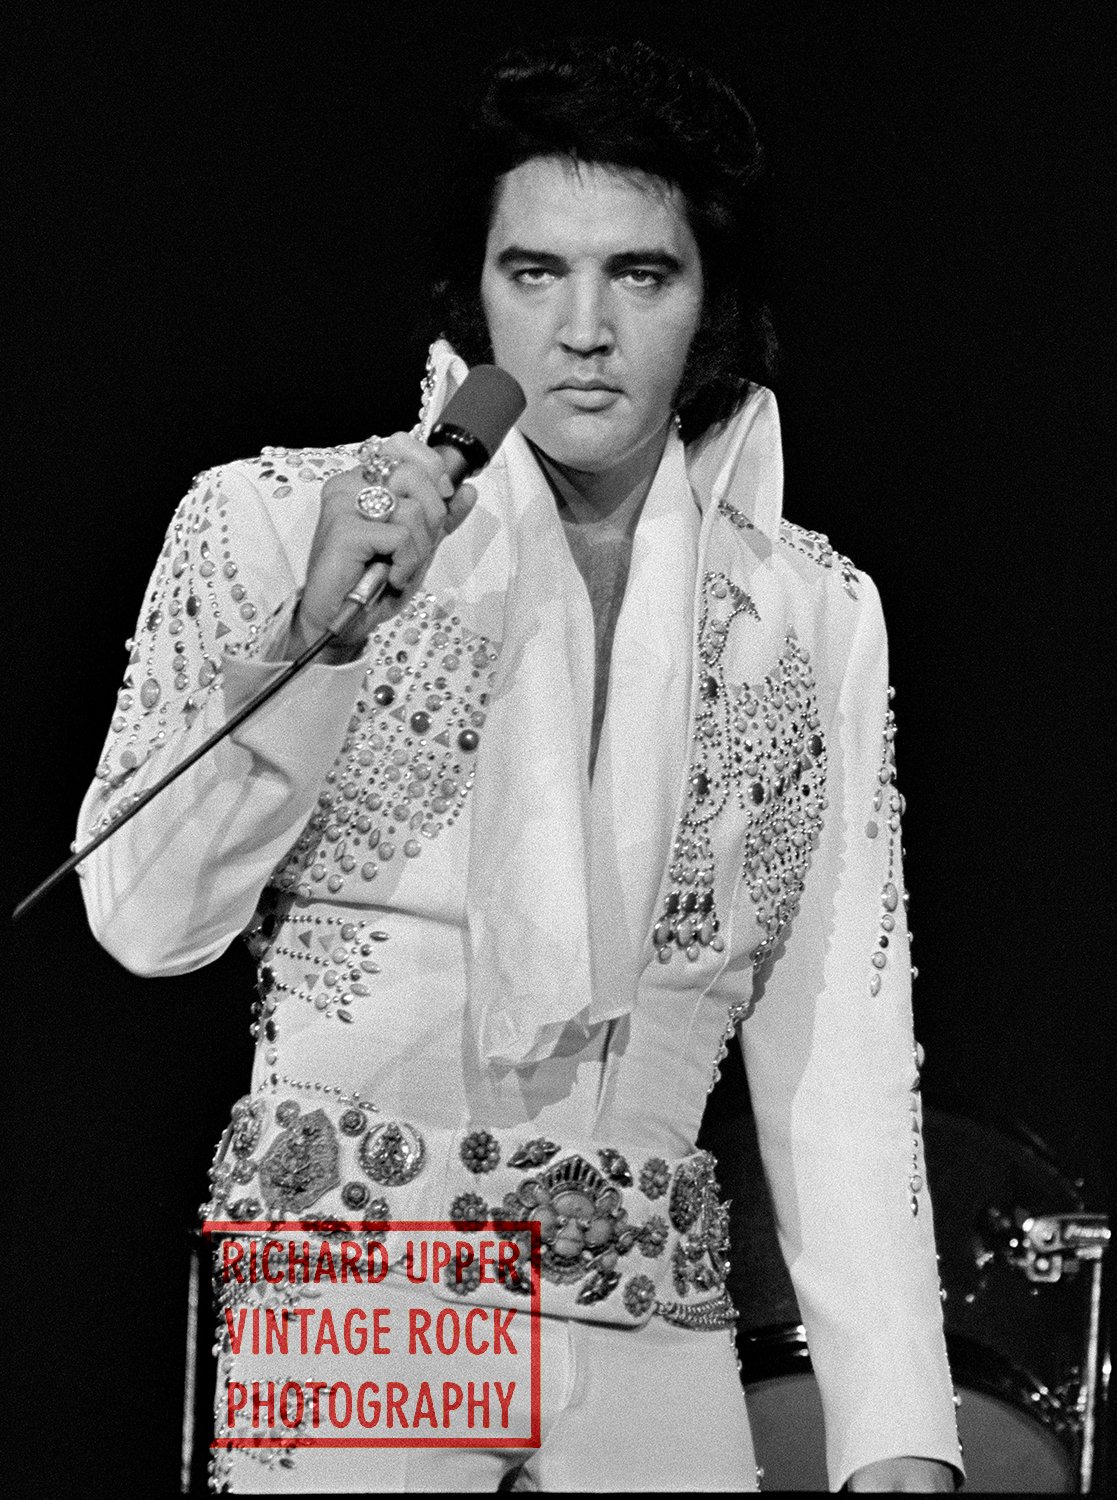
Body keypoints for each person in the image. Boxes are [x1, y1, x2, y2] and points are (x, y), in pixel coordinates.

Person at [77, 38, 963, 1493]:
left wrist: (896, 1434)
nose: (585, 329)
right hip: (365, 1291)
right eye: (535, 272)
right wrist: (318, 636)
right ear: (471, 294)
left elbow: (835, 1050)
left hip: (646, 1309)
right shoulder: (280, 518)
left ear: (710, 303)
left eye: (641, 275)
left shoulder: (808, 611)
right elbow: (145, 922)